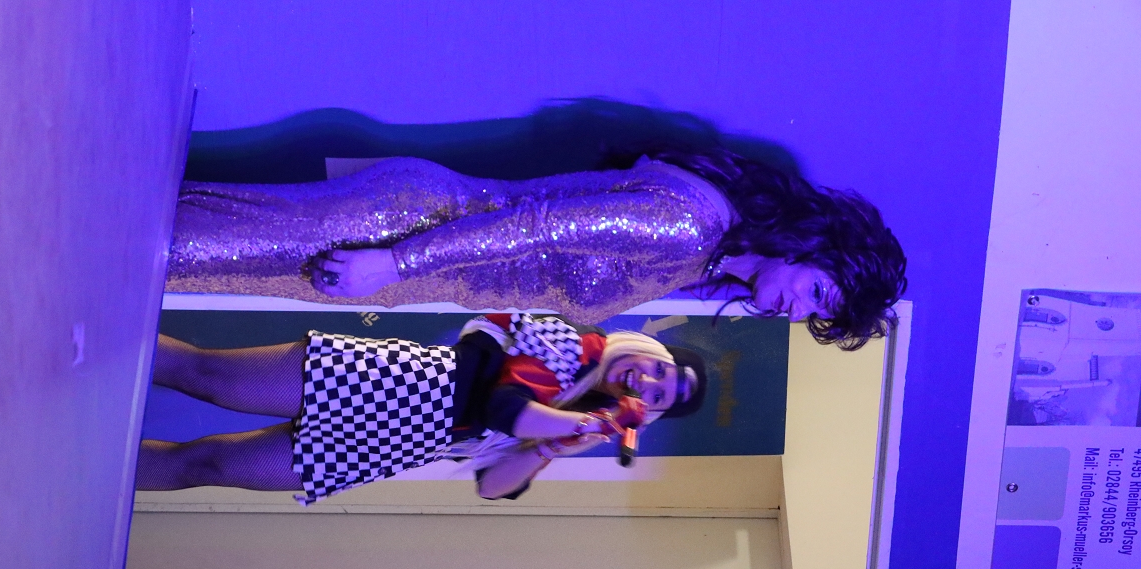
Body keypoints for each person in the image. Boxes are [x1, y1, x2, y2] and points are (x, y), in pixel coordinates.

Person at [167, 146, 906, 350]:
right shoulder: (689, 227)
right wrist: (392, 263)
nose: (796, 311)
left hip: (408, 264)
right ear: (809, 245)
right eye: (816, 291)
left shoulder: (706, 259)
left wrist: (398, 277)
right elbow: (534, 228)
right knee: (176, 251)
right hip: (402, 230)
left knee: (188, 238)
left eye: (813, 316)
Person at [136, 313, 707, 504]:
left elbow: (493, 487)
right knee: (205, 374)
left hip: (401, 444)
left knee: (208, 466)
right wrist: (587, 423)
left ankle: (89, 476)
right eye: (658, 369)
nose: (646, 382)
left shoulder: (581, 417)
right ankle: (96, 341)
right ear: (649, 350)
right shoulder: (575, 346)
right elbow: (504, 407)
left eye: (657, 395)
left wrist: (558, 445)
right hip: (397, 385)